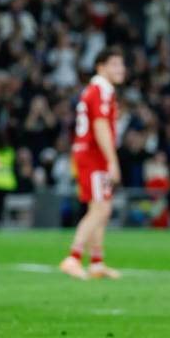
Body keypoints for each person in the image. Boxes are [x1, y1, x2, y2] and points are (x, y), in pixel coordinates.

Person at [59, 48, 126, 280]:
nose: (121, 69)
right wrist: (112, 160)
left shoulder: (96, 89)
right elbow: (100, 126)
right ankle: (73, 257)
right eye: (115, 64)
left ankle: (96, 262)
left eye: (122, 65)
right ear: (101, 67)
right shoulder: (101, 90)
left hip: (86, 153)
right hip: (92, 155)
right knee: (101, 208)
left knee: (99, 209)